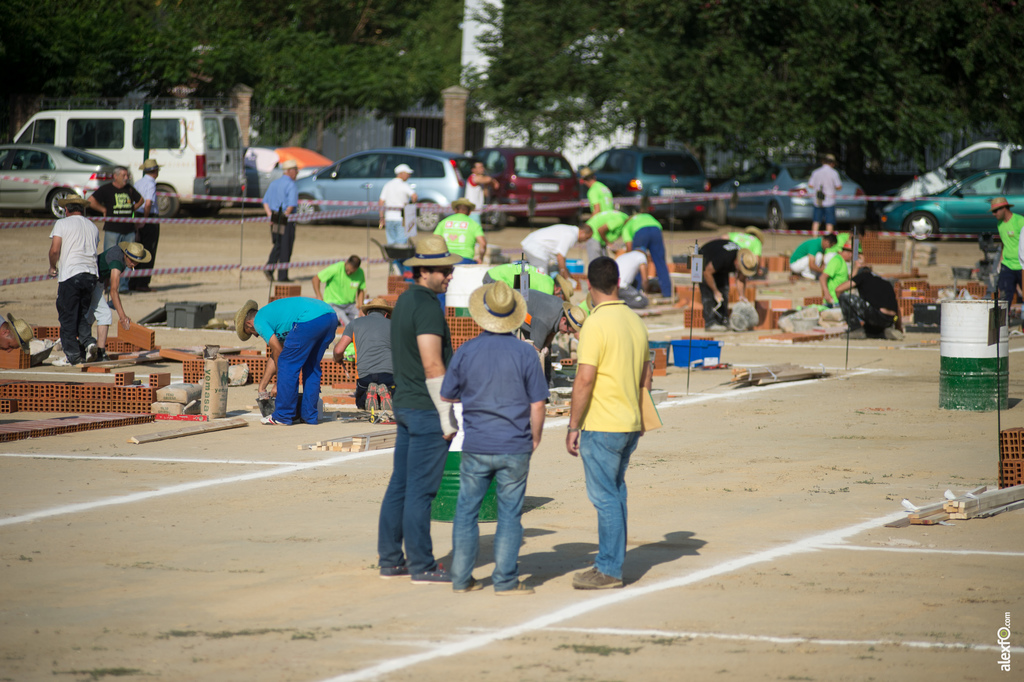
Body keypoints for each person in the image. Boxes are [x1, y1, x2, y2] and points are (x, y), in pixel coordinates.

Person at [442, 281, 549, 594]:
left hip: (475, 444)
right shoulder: (526, 354)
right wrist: (535, 439)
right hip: (515, 444)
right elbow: (538, 404)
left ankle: (461, 578)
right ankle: (505, 580)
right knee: (509, 515)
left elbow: (447, 397)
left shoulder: (466, 351)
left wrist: (455, 430)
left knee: (465, 513)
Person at [377, 234, 461, 584]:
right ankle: (422, 565)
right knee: (421, 491)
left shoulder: (406, 301)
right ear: (425, 270)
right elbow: (431, 363)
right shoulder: (426, 305)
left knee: (400, 485)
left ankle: (391, 559)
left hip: (408, 405)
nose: (450, 275)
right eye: (445, 269)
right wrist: (447, 416)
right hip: (426, 410)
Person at [565, 256, 651, 590]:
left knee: (605, 498)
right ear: (617, 282)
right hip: (629, 421)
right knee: (616, 494)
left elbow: (584, 378)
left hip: (603, 424)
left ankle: (609, 568)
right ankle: (610, 561)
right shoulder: (635, 321)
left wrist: (573, 425)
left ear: (589, 285)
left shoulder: (595, 324)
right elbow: (646, 375)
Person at [235, 296, 337, 426]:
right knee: (311, 367)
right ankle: (309, 416)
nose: (255, 335)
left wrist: (279, 384)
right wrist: (262, 387)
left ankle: (283, 415)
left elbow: (280, 354)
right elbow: (275, 353)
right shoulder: (277, 320)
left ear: (249, 324)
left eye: (250, 332)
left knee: (287, 364)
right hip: (330, 317)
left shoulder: (259, 320)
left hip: (309, 319)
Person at [48, 196, 100, 366]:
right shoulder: (92, 226)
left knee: (67, 316)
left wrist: (52, 267)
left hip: (71, 274)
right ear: (82, 209)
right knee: (82, 314)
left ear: (66, 210)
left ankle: (72, 356)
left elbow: (55, 249)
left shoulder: (62, 224)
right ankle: (89, 343)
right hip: (90, 273)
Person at [332, 297, 395, 412]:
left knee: (361, 402)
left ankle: (368, 394)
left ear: (367, 313)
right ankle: (386, 393)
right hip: (389, 375)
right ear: (386, 314)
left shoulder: (354, 323)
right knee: (396, 397)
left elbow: (338, 350)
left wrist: (337, 359)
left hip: (365, 376)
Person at [87, 166, 143, 291]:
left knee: (130, 259)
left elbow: (141, 200)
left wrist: (131, 209)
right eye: (123, 175)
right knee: (110, 258)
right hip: (112, 229)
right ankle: (108, 286)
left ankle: (123, 287)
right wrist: (103, 210)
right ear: (115, 176)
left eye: (127, 175)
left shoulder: (129, 189)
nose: (126, 178)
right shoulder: (106, 189)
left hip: (128, 230)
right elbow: (90, 200)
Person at [94, 242, 151, 354]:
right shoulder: (117, 262)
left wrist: (105, 283)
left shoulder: (120, 256)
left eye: (137, 262)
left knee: (90, 316)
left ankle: (83, 346)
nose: (134, 264)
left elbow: (106, 268)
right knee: (104, 314)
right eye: (132, 261)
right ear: (126, 255)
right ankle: (99, 352)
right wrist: (122, 317)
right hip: (90, 280)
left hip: (97, 279)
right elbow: (114, 290)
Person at [698, 239, 757, 331]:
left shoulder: (744, 259)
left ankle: (723, 319)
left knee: (724, 290)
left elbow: (741, 279)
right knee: (708, 292)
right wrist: (715, 291)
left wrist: (742, 296)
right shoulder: (724, 258)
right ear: (737, 263)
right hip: (704, 259)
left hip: (719, 265)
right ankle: (710, 322)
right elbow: (707, 272)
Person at [836, 261, 903, 340]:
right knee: (867, 329)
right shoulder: (886, 282)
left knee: (844, 297)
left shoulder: (863, 276)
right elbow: (897, 308)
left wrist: (843, 306)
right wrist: (898, 327)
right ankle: (884, 332)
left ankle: (856, 330)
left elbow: (838, 290)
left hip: (877, 316)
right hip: (891, 319)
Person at [263, 159, 299, 282]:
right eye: (295, 170)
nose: (297, 173)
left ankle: (269, 268)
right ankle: (282, 276)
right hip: (285, 218)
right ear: (289, 171)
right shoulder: (291, 185)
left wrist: (270, 216)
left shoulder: (274, 183)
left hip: (274, 216)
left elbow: (265, 202)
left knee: (278, 244)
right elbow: (291, 205)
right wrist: (285, 216)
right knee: (286, 247)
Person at [623, 212, 671, 297]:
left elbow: (629, 248)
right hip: (656, 229)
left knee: (636, 262)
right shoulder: (646, 216)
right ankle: (667, 293)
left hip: (640, 232)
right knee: (660, 262)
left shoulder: (626, 227)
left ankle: (636, 292)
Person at [519, 223, 592, 279]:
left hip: (531, 243)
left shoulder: (569, 230)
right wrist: (566, 278)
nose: (585, 241)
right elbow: (560, 257)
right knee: (542, 278)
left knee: (534, 274)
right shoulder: (571, 235)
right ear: (582, 232)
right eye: (587, 238)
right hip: (537, 249)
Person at [130, 159, 160, 292]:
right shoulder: (151, 184)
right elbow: (148, 203)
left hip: (137, 215)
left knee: (136, 250)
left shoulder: (138, 183)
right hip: (149, 218)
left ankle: (133, 282)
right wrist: (145, 220)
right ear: (155, 171)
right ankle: (143, 283)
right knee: (149, 250)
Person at [312, 254, 365, 326]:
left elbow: (361, 290)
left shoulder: (360, 273)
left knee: (364, 321)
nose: (349, 273)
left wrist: (361, 307)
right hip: (333, 305)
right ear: (346, 262)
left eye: (352, 272)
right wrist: (319, 296)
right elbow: (316, 279)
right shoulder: (336, 268)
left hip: (350, 306)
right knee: (347, 324)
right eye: (348, 270)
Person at [991, 197, 1023, 311]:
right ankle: (1004, 324)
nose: (994, 214)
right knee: (1004, 297)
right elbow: (1004, 243)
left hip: (1021, 265)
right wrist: (1001, 260)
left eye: (996, 211)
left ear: (1004, 208)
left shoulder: (1020, 221)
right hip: (1007, 265)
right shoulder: (1000, 224)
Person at [483, 263, 574, 300]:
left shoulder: (547, 280)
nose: (558, 301)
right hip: (496, 278)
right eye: (561, 298)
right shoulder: (547, 288)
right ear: (558, 290)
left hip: (494, 275)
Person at [434, 198, 486, 263]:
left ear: (455, 210)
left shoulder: (443, 222)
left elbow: (434, 240)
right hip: (465, 259)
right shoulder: (474, 224)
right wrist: (480, 258)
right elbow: (483, 243)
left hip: (446, 258)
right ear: (470, 212)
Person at [378, 163, 418, 247]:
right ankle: (398, 260)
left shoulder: (388, 184)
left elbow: (381, 201)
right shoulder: (404, 185)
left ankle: (393, 260)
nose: (409, 176)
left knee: (391, 244)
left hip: (389, 217)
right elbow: (414, 196)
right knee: (401, 245)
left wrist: (381, 217)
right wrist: (411, 205)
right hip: (401, 219)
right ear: (401, 173)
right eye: (407, 174)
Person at [808, 153, 843, 235]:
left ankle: (814, 239)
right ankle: (829, 240)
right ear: (832, 163)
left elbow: (810, 185)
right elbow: (839, 187)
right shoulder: (834, 173)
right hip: (830, 201)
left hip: (818, 200)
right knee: (829, 222)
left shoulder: (816, 172)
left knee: (816, 221)